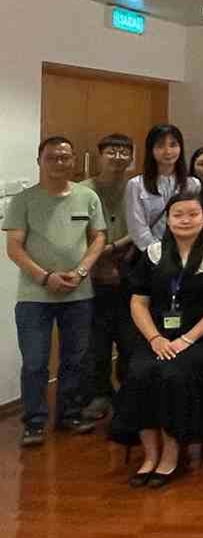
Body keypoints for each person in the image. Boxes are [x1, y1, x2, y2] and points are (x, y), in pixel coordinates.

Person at [110, 191, 203, 488]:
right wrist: (154, 338)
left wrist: (188, 339)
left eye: (193, 214)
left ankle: (171, 454)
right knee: (138, 371)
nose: (185, 220)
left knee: (173, 373)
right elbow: (138, 302)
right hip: (158, 337)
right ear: (167, 219)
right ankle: (150, 455)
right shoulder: (153, 254)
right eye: (178, 214)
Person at [4, 136, 107, 446]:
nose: (59, 163)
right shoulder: (24, 200)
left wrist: (81, 271)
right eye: (52, 157)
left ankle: (69, 414)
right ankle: (34, 422)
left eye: (65, 157)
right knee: (35, 361)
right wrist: (45, 277)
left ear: (73, 160)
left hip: (78, 293)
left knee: (75, 358)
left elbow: (98, 237)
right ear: (39, 161)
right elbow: (14, 247)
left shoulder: (87, 196)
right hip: (35, 296)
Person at [80, 133, 137, 420]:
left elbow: (142, 227)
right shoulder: (82, 190)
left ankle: (128, 393)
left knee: (130, 339)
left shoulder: (136, 188)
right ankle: (99, 394)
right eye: (112, 151)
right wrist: (98, 255)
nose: (118, 157)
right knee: (96, 341)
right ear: (99, 155)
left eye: (124, 152)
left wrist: (117, 249)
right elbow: (76, 232)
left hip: (129, 268)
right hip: (92, 272)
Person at [126, 124, 202, 251]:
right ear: (151, 149)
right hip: (151, 253)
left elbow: (196, 221)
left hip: (187, 251)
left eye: (173, 145)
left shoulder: (193, 184)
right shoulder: (136, 185)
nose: (168, 151)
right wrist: (159, 253)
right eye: (160, 146)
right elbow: (138, 229)